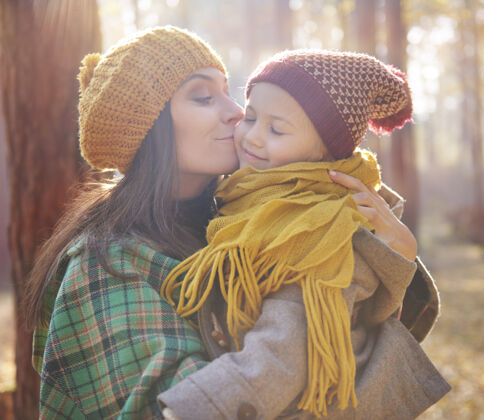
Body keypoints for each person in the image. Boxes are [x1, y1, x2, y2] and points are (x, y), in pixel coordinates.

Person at [26, 26, 448, 420]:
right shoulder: (105, 264)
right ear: (149, 128)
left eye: (229, 93)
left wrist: (390, 265)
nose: (234, 112)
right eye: (203, 97)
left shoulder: (247, 222)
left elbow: (332, 347)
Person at [161, 49, 446, 418]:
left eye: (277, 129)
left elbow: (285, 350)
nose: (253, 138)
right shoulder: (255, 199)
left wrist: (194, 411)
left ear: (324, 153)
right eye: (250, 118)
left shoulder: (319, 226)